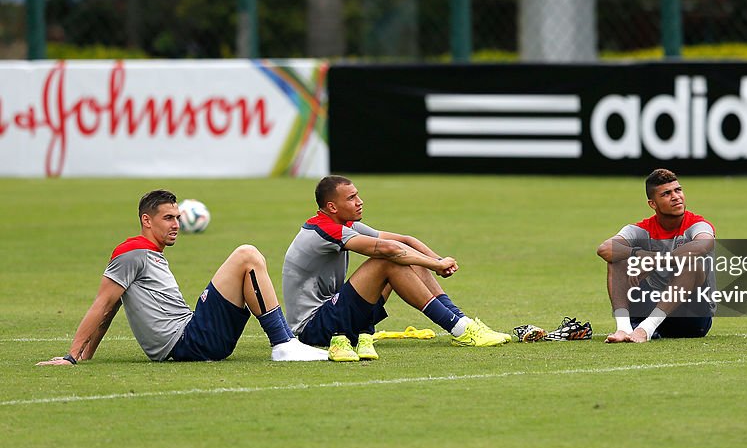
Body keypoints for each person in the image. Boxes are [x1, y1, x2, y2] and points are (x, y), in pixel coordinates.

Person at [37, 190, 328, 366]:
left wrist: (88, 354)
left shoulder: (150, 252)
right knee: (247, 255)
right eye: (168, 218)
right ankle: (283, 344)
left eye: (177, 218)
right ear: (146, 221)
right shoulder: (132, 250)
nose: (176, 225)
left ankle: (285, 342)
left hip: (194, 336)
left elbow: (112, 308)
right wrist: (73, 356)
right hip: (185, 342)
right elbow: (104, 304)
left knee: (247, 263)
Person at [281, 175, 511, 362]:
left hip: (335, 315)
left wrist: (438, 260)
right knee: (388, 260)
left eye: (358, 195)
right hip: (312, 328)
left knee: (406, 257)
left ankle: (463, 322)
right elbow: (389, 251)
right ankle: (460, 330)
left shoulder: (344, 224)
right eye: (351, 198)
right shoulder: (325, 230)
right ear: (332, 206)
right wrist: (435, 264)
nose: (360, 201)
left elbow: (405, 240)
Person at [597, 169, 716, 343]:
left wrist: (655, 261)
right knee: (617, 258)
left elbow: (703, 245)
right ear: (653, 204)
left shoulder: (697, 224)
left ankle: (646, 329)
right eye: (667, 194)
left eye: (678, 190)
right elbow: (604, 248)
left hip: (690, 318)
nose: (676, 197)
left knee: (693, 265)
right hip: (649, 305)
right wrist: (639, 253)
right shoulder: (642, 229)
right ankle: (623, 328)